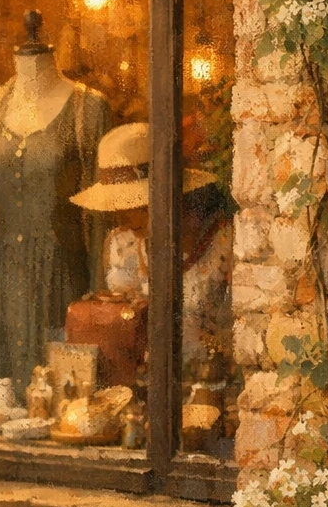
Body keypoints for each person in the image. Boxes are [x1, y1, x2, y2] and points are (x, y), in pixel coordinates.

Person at [69, 122, 233, 381]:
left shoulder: (221, 243)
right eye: (117, 204)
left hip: (204, 384)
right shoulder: (119, 245)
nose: (120, 214)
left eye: (131, 204)